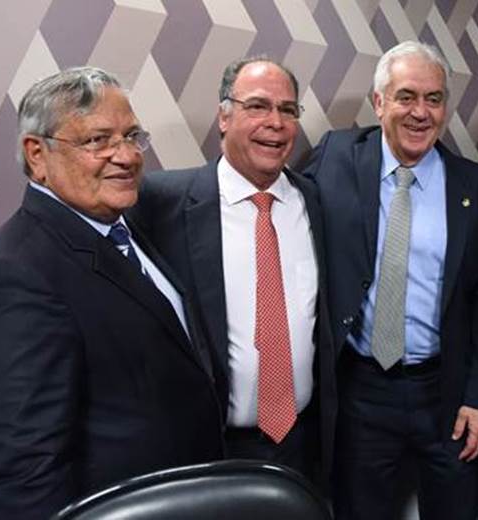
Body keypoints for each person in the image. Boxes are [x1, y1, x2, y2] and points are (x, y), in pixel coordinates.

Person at [0, 67, 223, 520]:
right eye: (98, 140)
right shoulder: (12, 276)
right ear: (37, 154)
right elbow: (24, 474)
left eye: (132, 136)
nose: (127, 156)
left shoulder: (120, 227)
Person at [302, 41, 478, 519]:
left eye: (434, 99)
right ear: (379, 102)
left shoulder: (474, 185)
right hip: (363, 390)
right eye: (406, 97)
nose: (420, 112)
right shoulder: (337, 156)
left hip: (446, 393)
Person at [129, 57, 333, 482]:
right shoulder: (161, 203)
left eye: (288, 110)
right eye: (257, 106)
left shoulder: (316, 201)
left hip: (302, 445)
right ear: (224, 117)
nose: (275, 122)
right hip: (207, 447)